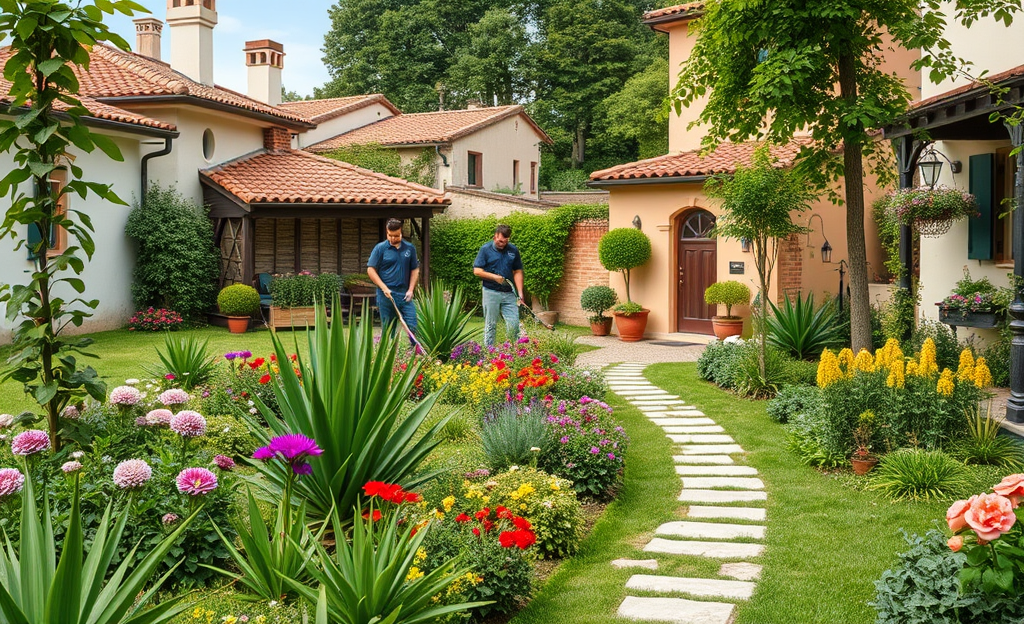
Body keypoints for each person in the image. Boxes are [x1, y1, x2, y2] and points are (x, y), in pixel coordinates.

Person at [473, 224, 524, 347]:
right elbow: (477, 271)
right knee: (491, 325)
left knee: (514, 324)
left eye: (505, 241)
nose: (502, 244)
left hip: (509, 293)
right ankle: (488, 352)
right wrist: (494, 277)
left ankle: (513, 352)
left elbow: (517, 271)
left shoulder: (513, 250)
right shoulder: (485, 249)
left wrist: (520, 292)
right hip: (491, 292)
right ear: (495, 237)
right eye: (500, 241)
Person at [367, 218, 419, 340]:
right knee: (388, 328)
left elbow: (415, 270)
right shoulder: (380, 248)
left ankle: (415, 355)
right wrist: (384, 288)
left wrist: (411, 289)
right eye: (390, 235)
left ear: (401, 232)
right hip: (386, 295)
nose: (392, 239)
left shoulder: (409, 248)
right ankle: (387, 355)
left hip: (404, 294)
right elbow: (371, 270)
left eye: (396, 236)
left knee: (412, 325)